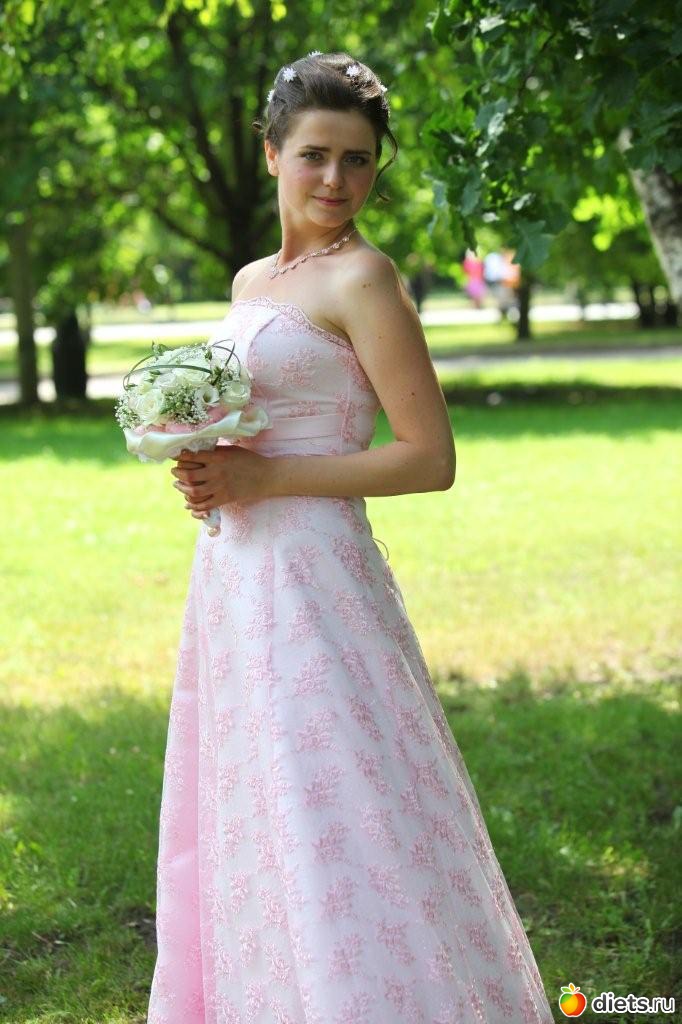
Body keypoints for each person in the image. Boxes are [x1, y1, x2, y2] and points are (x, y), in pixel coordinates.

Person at [147, 51, 554, 1024]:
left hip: (316, 578)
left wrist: (266, 478)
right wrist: (206, 456)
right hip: (237, 572)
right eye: (315, 155)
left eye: (359, 160)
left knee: (335, 795)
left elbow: (428, 456)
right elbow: (266, 415)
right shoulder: (254, 279)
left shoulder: (365, 279)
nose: (336, 179)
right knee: (257, 794)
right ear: (271, 153)